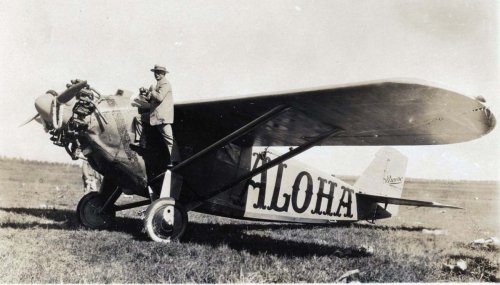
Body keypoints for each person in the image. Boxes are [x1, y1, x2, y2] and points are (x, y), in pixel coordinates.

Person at [131, 64, 177, 167]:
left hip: (161, 117)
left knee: (169, 139)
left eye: (159, 73)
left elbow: (160, 98)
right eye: (155, 72)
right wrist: (146, 95)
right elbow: (153, 100)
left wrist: (151, 91)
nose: (156, 74)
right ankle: (139, 141)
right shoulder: (159, 84)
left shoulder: (165, 84)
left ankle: (175, 160)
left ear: (163, 74)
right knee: (139, 118)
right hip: (155, 115)